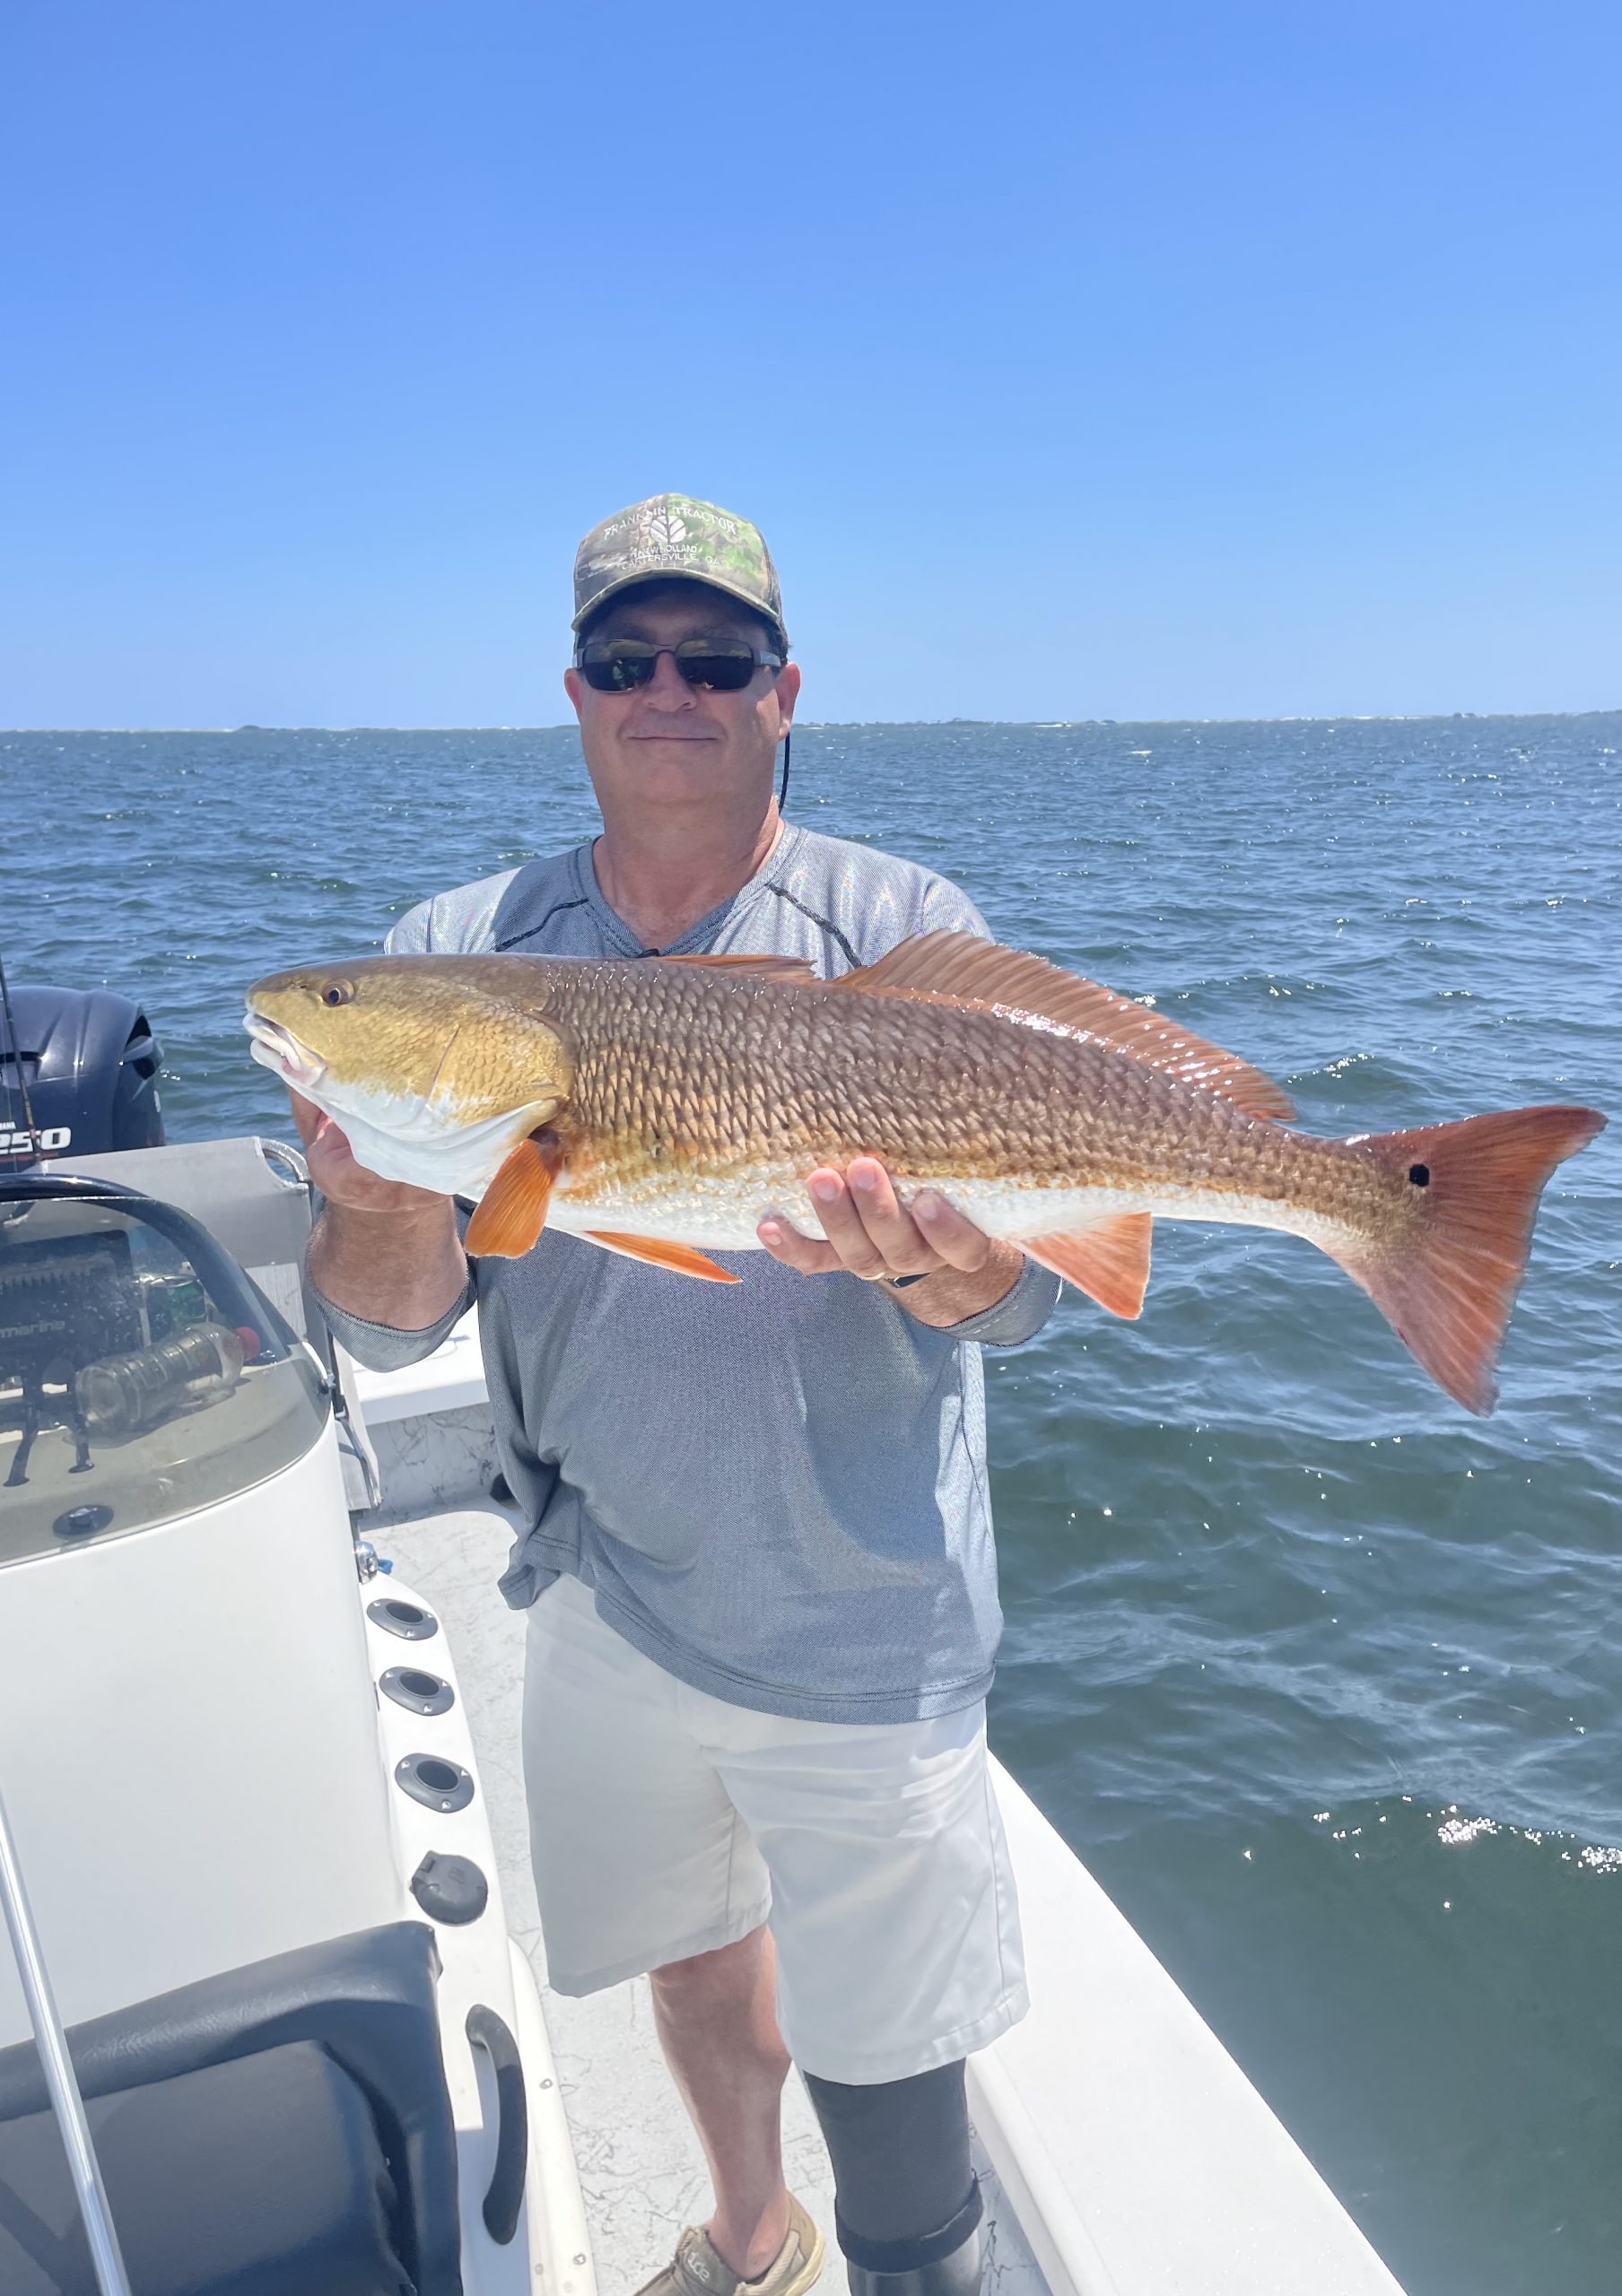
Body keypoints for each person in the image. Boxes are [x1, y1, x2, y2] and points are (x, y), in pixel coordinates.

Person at [298, 494, 1060, 2296]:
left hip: (864, 1612)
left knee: (889, 2043)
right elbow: (394, 1324)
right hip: (602, 1585)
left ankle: (913, 2266)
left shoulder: (898, 921)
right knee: (693, 1947)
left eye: (714, 658)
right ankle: (747, 2231)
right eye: (625, 656)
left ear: (783, 690)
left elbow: (1028, 1290)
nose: (670, 688)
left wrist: (966, 1269)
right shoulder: (464, 944)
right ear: (571, 689)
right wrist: (376, 1195)